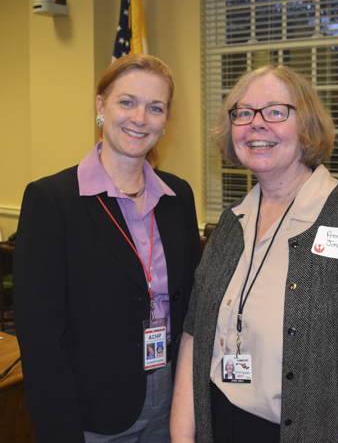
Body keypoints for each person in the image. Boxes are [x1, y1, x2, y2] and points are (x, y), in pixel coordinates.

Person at [170, 66, 338, 443]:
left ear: (306, 125)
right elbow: (195, 332)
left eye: (276, 111)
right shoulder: (233, 221)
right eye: (244, 113)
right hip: (219, 423)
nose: (256, 125)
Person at [14, 54, 202, 442]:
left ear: (166, 120)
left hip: (173, 395)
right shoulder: (52, 200)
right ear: (101, 106)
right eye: (127, 102)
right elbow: (40, 338)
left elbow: (191, 306)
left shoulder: (177, 196)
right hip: (94, 411)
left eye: (155, 108)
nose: (140, 118)